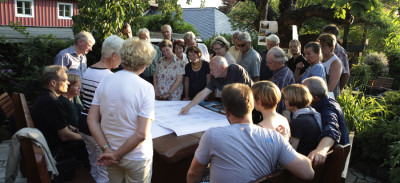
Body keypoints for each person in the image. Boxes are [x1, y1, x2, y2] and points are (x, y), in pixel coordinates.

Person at [186, 83, 314, 183]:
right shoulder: (276, 137)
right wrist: (284, 144)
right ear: (252, 107)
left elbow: (193, 174)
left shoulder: (213, 135)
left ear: (227, 111)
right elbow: (308, 173)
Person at [87, 38, 156, 183]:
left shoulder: (105, 81)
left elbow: (91, 119)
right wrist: (116, 155)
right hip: (136, 156)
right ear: (145, 63)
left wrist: (107, 149)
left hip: (109, 150)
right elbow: (141, 134)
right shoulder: (146, 88)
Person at [79, 35, 124, 183]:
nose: (122, 61)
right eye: (121, 57)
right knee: (105, 172)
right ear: (114, 55)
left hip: (83, 124)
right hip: (98, 130)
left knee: (94, 162)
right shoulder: (109, 78)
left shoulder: (88, 71)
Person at [31, 65, 83, 181]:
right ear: (53, 83)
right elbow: (65, 135)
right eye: (65, 80)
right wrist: (85, 137)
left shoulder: (46, 98)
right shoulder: (52, 102)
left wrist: (77, 130)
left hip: (51, 147)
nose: (68, 83)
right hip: (56, 152)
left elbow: (64, 125)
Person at [179, 56, 253, 115]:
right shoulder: (215, 77)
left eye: (213, 70)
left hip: (249, 104)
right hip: (232, 106)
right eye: (210, 69)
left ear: (223, 68)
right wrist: (188, 107)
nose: (211, 72)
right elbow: (204, 92)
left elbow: (243, 93)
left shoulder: (236, 69)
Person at [302, 76, 350, 167]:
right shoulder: (324, 101)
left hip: (331, 164)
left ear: (315, 98)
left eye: (303, 93)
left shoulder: (328, 108)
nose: (300, 95)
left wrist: (321, 150)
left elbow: (331, 129)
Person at [282, 84, 322, 156]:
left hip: (304, 161)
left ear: (293, 100)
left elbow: (291, 152)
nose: (283, 101)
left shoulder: (298, 122)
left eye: (285, 99)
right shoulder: (312, 115)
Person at [267, 47, 295, 114]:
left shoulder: (282, 78)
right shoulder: (282, 71)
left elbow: (278, 101)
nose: (267, 65)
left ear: (280, 63)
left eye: (269, 62)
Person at [323, 25, 350, 91]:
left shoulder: (340, 52)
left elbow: (345, 74)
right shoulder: (321, 49)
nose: (324, 38)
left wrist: (339, 90)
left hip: (331, 91)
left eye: (328, 36)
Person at [318, 33, 342, 99]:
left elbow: (330, 88)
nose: (321, 48)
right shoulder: (318, 59)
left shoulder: (335, 62)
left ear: (331, 46)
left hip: (327, 98)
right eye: (320, 46)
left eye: (323, 46)